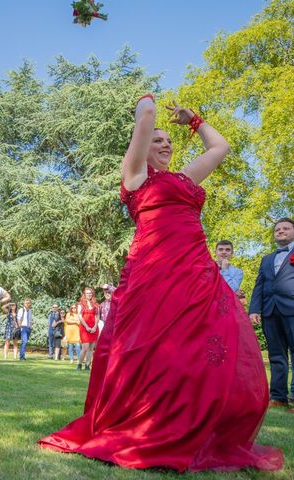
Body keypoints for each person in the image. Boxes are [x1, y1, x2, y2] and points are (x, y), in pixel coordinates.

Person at [39, 96, 283, 471]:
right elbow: (147, 117)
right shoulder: (134, 175)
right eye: (158, 140)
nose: (166, 144)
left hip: (195, 271)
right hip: (152, 270)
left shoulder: (185, 179)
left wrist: (193, 120)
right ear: (142, 146)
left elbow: (221, 146)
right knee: (148, 348)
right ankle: (144, 421)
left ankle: (191, 422)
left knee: (202, 348)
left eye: (169, 141)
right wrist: (145, 103)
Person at [249, 218, 294, 410]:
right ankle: (278, 396)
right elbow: (259, 285)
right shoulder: (266, 259)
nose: (281, 231)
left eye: (286, 228)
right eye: (278, 229)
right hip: (269, 310)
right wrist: (253, 309)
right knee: (276, 355)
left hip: (292, 308)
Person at [77, 287, 99, 371]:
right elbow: (79, 316)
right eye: (87, 293)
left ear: (92, 294)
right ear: (84, 294)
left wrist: (95, 326)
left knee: (91, 349)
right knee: (85, 348)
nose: (89, 295)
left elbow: (97, 316)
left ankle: (87, 365)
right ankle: (79, 364)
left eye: (90, 293)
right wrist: (86, 326)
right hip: (84, 327)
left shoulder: (96, 304)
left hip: (94, 327)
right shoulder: (80, 304)